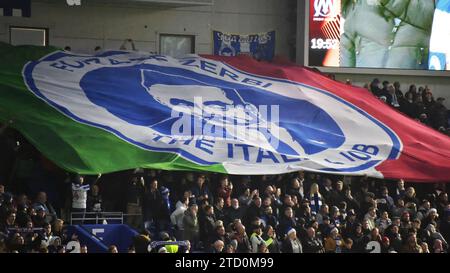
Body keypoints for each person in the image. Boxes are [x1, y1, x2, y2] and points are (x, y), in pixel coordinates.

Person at [340, 0, 435, 69]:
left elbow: (432, 16)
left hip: (410, 86)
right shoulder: (359, 7)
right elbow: (347, 44)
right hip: (365, 89)